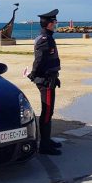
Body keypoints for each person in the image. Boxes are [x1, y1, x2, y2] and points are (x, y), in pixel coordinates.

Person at [28, 9, 62, 155]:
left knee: (49, 112)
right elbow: (40, 60)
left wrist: (56, 76)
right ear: (49, 24)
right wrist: (33, 74)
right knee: (47, 112)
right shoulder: (44, 39)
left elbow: (49, 61)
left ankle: (47, 140)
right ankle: (44, 146)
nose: (55, 24)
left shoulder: (48, 37)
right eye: (54, 22)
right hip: (46, 81)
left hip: (50, 79)